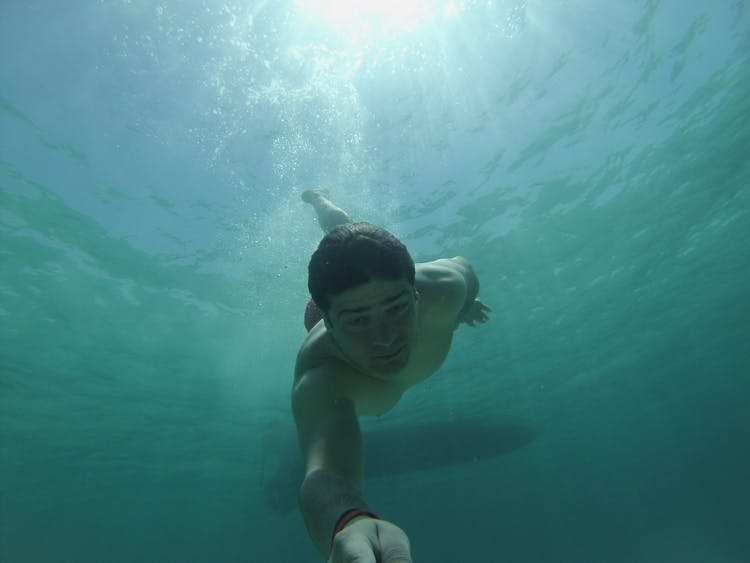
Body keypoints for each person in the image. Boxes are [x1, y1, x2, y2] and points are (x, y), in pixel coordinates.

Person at [293, 189, 490, 562]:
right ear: (329, 327)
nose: (384, 338)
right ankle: (322, 204)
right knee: (342, 236)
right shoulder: (323, 373)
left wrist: (465, 304)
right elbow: (321, 476)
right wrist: (348, 522)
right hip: (326, 313)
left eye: (397, 308)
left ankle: (323, 202)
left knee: (348, 232)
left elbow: (467, 271)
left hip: (379, 294)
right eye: (358, 322)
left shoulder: (446, 289)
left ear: (416, 296)